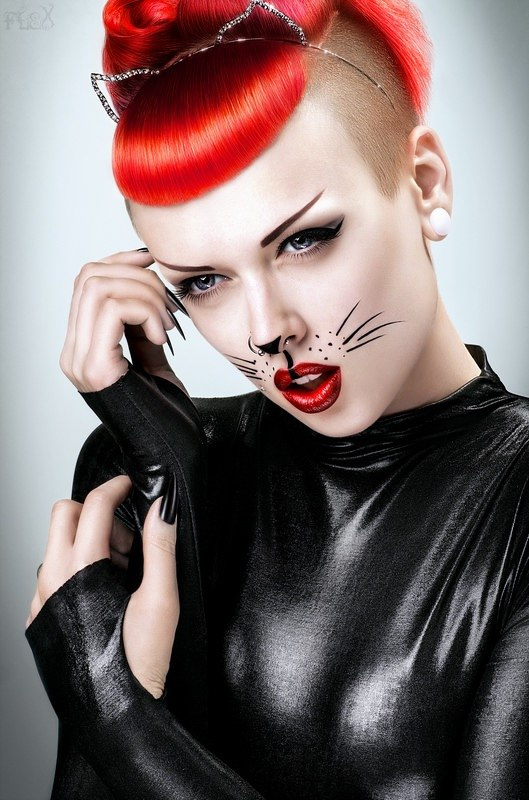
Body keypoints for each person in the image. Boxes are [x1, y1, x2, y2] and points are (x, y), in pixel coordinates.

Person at [25, 1, 529, 798]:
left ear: (425, 185)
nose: (266, 332)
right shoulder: (154, 473)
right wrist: (177, 492)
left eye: (304, 239)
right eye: (204, 281)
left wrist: (116, 713)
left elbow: (121, 741)